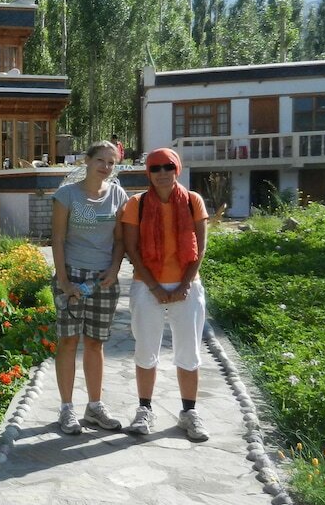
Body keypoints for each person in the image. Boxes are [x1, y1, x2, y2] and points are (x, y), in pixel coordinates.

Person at [121, 147, 210, 442]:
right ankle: (144, 410)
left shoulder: (192, 201)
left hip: (187, 286)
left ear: (177, 169)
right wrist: (155, 287)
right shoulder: (138, 204)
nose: (162, 173)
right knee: (146, 351)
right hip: (147, 287)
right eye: (155, 168)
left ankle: (189, 413)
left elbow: (201, 247)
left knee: (188, 352)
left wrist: (184, 284)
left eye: (167, 167)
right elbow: (132, 251)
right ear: (148, 172)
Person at [51, 140, 129, 434]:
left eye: (111, 162)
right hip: (71, 276)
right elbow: (57, 239)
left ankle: (94, 407)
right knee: (69, 342)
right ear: (87, 160)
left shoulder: (118, 195)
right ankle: (66, 409)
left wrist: (114, 268)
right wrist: (64, 280)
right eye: (101, 160)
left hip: (103, 280)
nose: (106, 167)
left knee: (95, 344)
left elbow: (120, 239)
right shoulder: (66, 195)